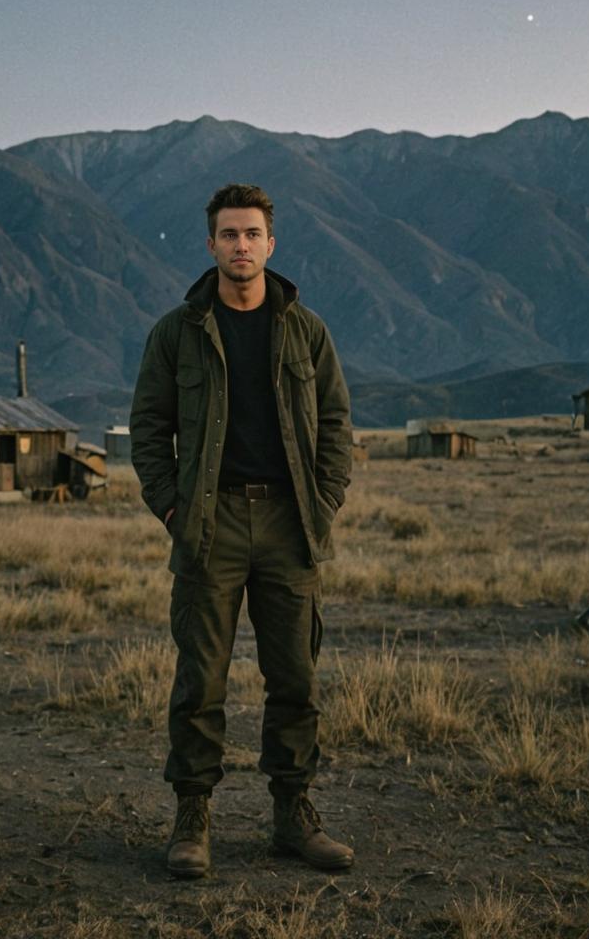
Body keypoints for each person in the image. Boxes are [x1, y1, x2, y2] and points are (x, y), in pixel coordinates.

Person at [129, 183, 354, 878]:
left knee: (295, 676)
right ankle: (192, 820)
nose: (241, 246)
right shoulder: (178, 332)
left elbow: (338, 424)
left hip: (290, 524)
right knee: (201, 680)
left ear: (270, 244)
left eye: (252, 234)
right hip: (211, 523)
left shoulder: (306, 330)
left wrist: (321, 504)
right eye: (228, 235)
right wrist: (174, 510)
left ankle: (294, 815)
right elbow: (148, 430)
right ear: (211, 246)